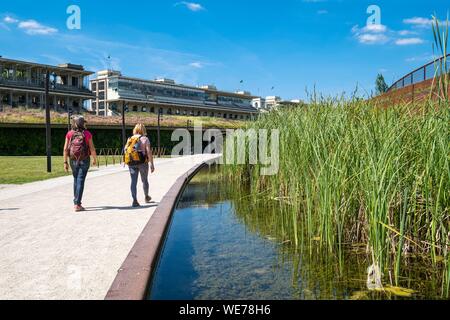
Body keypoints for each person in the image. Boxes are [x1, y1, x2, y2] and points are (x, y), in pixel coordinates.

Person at [63, 116, 97, 212]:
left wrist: (65, 162)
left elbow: (65, 149)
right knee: (80, 180)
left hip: (73, 159)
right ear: (82, 124)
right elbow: (92, 148)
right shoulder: (87, 133)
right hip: (85, 159)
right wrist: (94, 159)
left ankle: (76, 202)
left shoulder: (69, 134)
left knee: (75, 179)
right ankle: (77, 204)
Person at [125, 123, 155, 207]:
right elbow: (148, 152)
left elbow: (126, 150)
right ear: (143, 130)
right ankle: (146, 196)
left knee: (133, 182)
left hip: (131, 162)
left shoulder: (130, 138)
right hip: (143, 162)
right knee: (144, 180)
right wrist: (151, 164)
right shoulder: (145, 139)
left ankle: (134, 200)